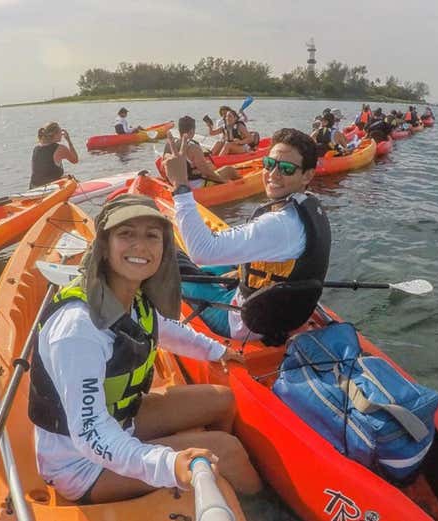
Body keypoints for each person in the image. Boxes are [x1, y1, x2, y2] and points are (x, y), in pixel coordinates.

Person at [28, 194, 262, 504]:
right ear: (104, 246)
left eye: (152, 236)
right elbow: (90, 433)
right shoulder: (77, 330)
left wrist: (216, 351)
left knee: (222, 399)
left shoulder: (133, 299)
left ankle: (217, 483)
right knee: (227, 451)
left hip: (123, 421)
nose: (141, 246)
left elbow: (164, 329)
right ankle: (254, 504)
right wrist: (168, 464)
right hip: (80, 464)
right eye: (126, 234)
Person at [163, 128, 331, 344]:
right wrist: (240, 274)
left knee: (171, 259)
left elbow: (201, 251)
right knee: (219, 268)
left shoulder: (279, 225)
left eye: (287, 169)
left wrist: (180, 186)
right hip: (280, 314)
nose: (273, 174)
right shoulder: (307, 204)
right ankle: (219, 279)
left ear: (307, 175)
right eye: (270, 164)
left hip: (243, 323)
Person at [163, 116, 240, 188]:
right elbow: (206, 172)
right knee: (229, 170)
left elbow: (165, 166)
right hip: (195, 185)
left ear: (179, 129)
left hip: (175, 182)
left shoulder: (169, 144)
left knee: (210, 165)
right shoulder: (193, 148)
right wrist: (223, 181)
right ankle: (241, 184)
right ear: (192, 131)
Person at [30, 122, 78, 189]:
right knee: (72, 179)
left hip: (33, 188)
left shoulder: (36, 148)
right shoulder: (60, 148)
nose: (62, 134)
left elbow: (42, 173)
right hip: (50, 190)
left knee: (67, 177)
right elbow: (75, 160)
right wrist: (69, 141)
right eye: (60, 132)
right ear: (55, 135)